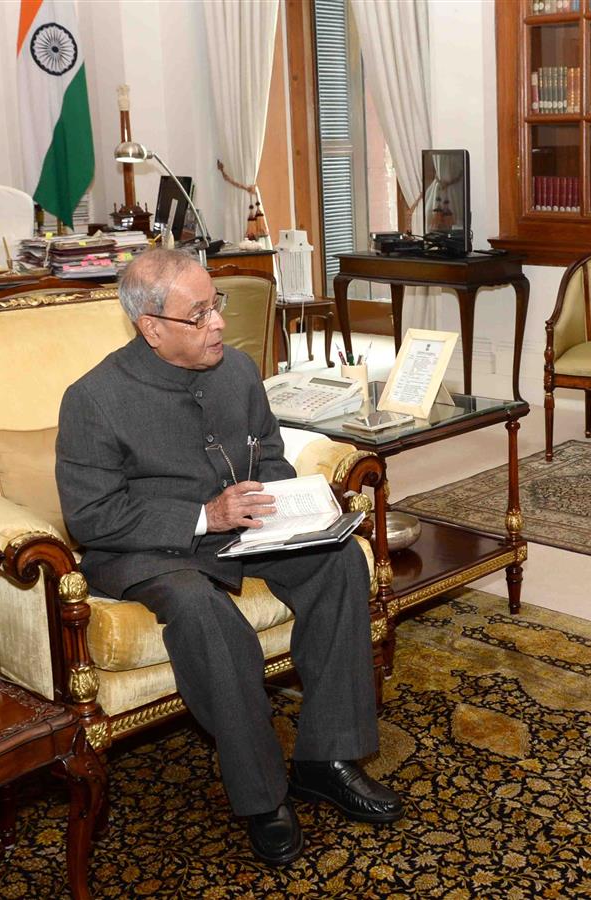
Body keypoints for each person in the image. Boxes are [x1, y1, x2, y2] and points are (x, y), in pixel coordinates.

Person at [56, 249, 402, 867]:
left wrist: (293, 507)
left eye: (216, 305)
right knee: (205, 616)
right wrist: (202, 517)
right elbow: (92, 517)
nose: (218, 322)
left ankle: (327, 756)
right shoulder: (93, 399)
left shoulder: (237, 369)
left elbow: (267, 454)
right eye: (200, 314)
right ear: (152, 326)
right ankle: (263, 797)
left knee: (341, 561)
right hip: (144, 548)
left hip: (239, 527)